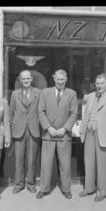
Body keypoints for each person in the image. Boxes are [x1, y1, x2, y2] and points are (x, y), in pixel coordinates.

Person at [79, 74, 106, 202]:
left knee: (102, 166)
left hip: (105, 136)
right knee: (89, 163)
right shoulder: (91, 96)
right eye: (97, 83)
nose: (99, 86)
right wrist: (83, 131)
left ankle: (101, 192)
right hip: (89, 133)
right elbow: (86, 115)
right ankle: (89, 189)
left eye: (101, 83)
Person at [37, 69, 78, 199]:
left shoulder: (72, 93)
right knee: (46, 163)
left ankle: (66, 189)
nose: (60, 82)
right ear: (54, 78)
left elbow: (74, 114)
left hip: (63, 135)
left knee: (65, 164)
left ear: (66, 79)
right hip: (48, 134)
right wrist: (48, 128)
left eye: (62, 79)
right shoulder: (45, 92)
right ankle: (43, 189)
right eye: (58, 79)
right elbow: (41, 112)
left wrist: (65, 129)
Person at [9, 70, 42, 194]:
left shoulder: (38, 93)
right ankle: (19, 183)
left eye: (28, 78)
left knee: (32, 159)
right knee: (19, 159)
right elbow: (11, 113)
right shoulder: (15, 94)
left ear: (31, 79)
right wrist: (14, 126)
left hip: (33, 129)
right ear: (20, 80)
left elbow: (41, 111)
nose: (26, 80)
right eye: (24, 79)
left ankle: (31, 183)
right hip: (19, 130)